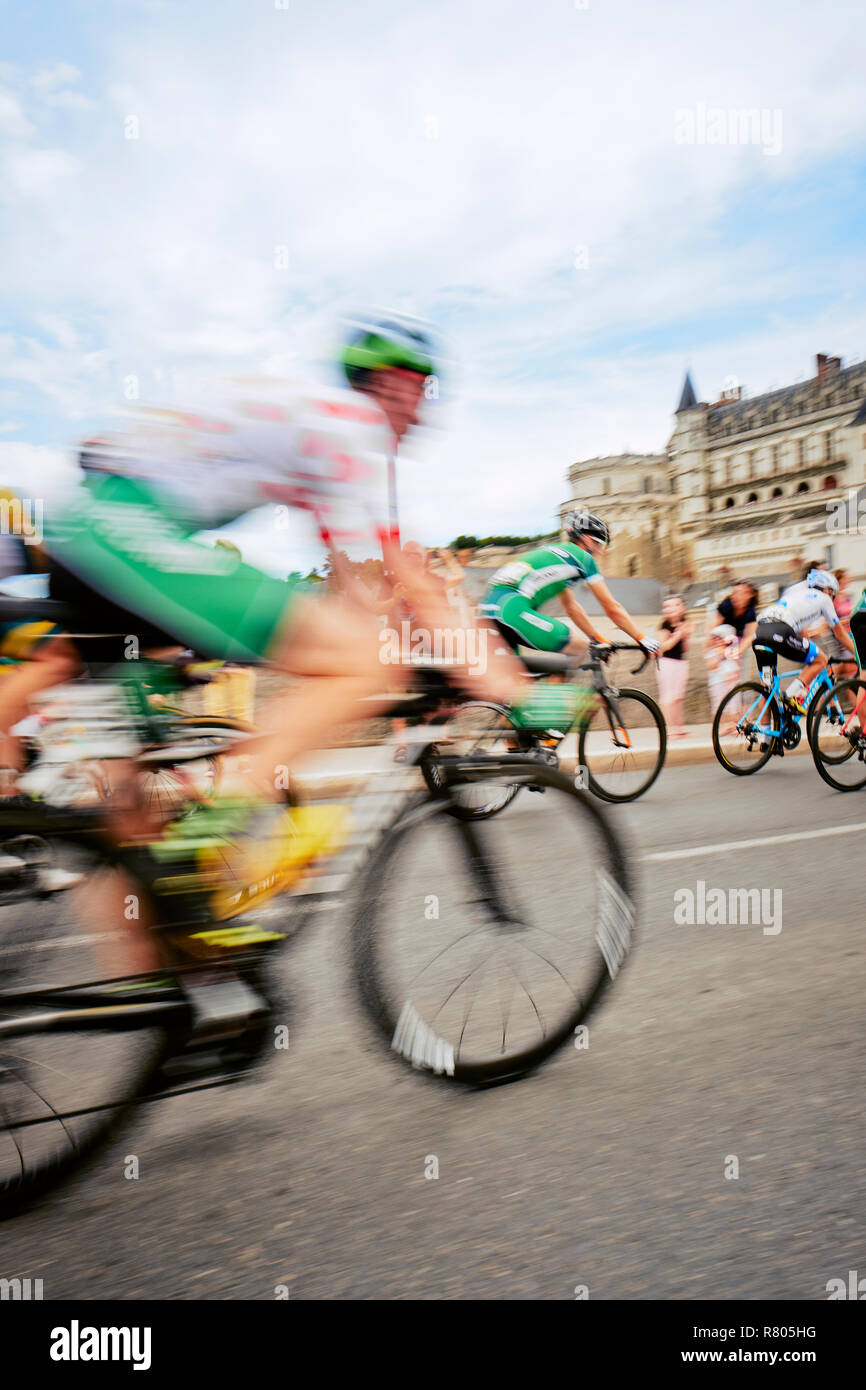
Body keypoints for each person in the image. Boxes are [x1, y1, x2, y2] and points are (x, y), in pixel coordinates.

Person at [20, 313, 530, 976]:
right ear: (392, 384)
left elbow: (354, 587)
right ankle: (217, 827)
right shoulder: (352, 423)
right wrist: (507, 683)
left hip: (86, 532)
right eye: (420, 392)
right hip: (125, 528)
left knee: (123, 811)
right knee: (361, 662)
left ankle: (161, 994)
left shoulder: (317, 435)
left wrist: (416, 667)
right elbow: (403, 573)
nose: (423, 416)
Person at [480, 510, 659, 662]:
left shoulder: (553, 553)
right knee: (580, 649)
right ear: (589, 541)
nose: (599, 554)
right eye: (600, 547)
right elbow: (611, 608)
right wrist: (642, 638)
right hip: (511, 611)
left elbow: (571, 607)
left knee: (516, 686)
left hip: (487, 611)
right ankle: (555, 702)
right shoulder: (584, 558)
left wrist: (596, 637)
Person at [753, 569, 857, 713]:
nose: (832, 600)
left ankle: (768, 734)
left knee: (767, 690)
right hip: (780, 632)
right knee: (821, 659)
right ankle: (791, 695)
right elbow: (840, 634)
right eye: (833, 596)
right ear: (828, 591)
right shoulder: (824, 598)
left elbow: (800, 630)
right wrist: (859, 655)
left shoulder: (794, 592)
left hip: (760, 632)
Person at [656, 594, 692, 737]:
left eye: (675, 605)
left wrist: (685, 636)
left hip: (680, 662)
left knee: (678, 696)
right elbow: (663, 646)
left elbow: (685, 648)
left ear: (683, 608)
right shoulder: (664, 626)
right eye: (667, 607)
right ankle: (669, 728)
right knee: (667, 697)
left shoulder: (684, 623)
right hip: (666, 663)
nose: (670, 609)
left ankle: (679, 727)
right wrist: (678, 635)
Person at [716, 581, 758, 667]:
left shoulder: (751, 611)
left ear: (750, 595)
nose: (736, 596)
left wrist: (737, 652)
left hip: (738, 640)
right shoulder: (726, 605)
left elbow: (750, 636)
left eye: (742, 593)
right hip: (721, 638)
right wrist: (721, 648)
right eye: (734, 593)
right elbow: (714, 628)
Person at [705, 622, 741, 721]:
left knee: (734, 704)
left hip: (731, 681)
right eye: (714, 638)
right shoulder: (711, 652)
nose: (717, 641)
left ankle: (735, 725)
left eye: (719, 638)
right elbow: (711, 666)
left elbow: (736, 663)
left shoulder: (731, 650)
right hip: (717, 683)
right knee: (719, 705)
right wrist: (719, 656)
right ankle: (720, 726)